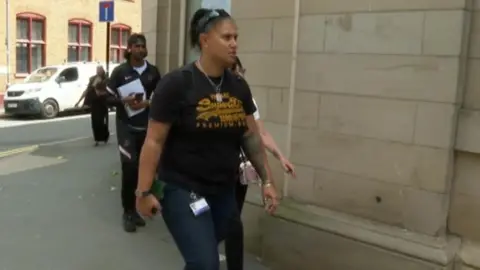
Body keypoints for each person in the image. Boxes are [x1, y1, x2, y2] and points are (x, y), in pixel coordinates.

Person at [135, 8, 279, 270]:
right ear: (204, 40)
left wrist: (267, 180)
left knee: (204, 255)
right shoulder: (176, 84)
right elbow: (153, 141)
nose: (234, 43)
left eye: (236, 37)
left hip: (223, 190)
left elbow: (251, 136)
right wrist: (143, 191)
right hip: (182, 188)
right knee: (205, 262)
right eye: (226, 37)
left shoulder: (238, 87)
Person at [221, 56, 296, 269]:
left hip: (239, 170)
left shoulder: (247, 101)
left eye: (238, 70)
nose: (236, 74)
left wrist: (280, 156)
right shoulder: (213, 97)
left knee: (233, 220)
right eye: (230, 70)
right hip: (214, 168)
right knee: (219, 223)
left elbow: (260, 133)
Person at [106, 33, 161, 233]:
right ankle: (128, 212)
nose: (140, 49)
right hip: (126, 127)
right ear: (129, 49)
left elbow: (161, 98)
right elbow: (106, 99)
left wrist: (147, 103)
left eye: (143, 46)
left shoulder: (153, 72)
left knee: (144, 169)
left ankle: (141, 206)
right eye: (136, 46)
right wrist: (124, 101)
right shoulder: (120, 72)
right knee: (129, 168)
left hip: (147, 129)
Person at [75, 65, 110, 146]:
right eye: (97, 70)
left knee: (101, 121)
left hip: (102, 103)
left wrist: (98, 89)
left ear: (103, 71)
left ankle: (105, 136)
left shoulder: (106, 79)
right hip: (94, 103)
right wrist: (79, 101)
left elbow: (107, 91)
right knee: (94, 122)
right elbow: (87, 91)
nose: (98, 72)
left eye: (100, 70)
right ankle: (97, 139)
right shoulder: (92, 79)